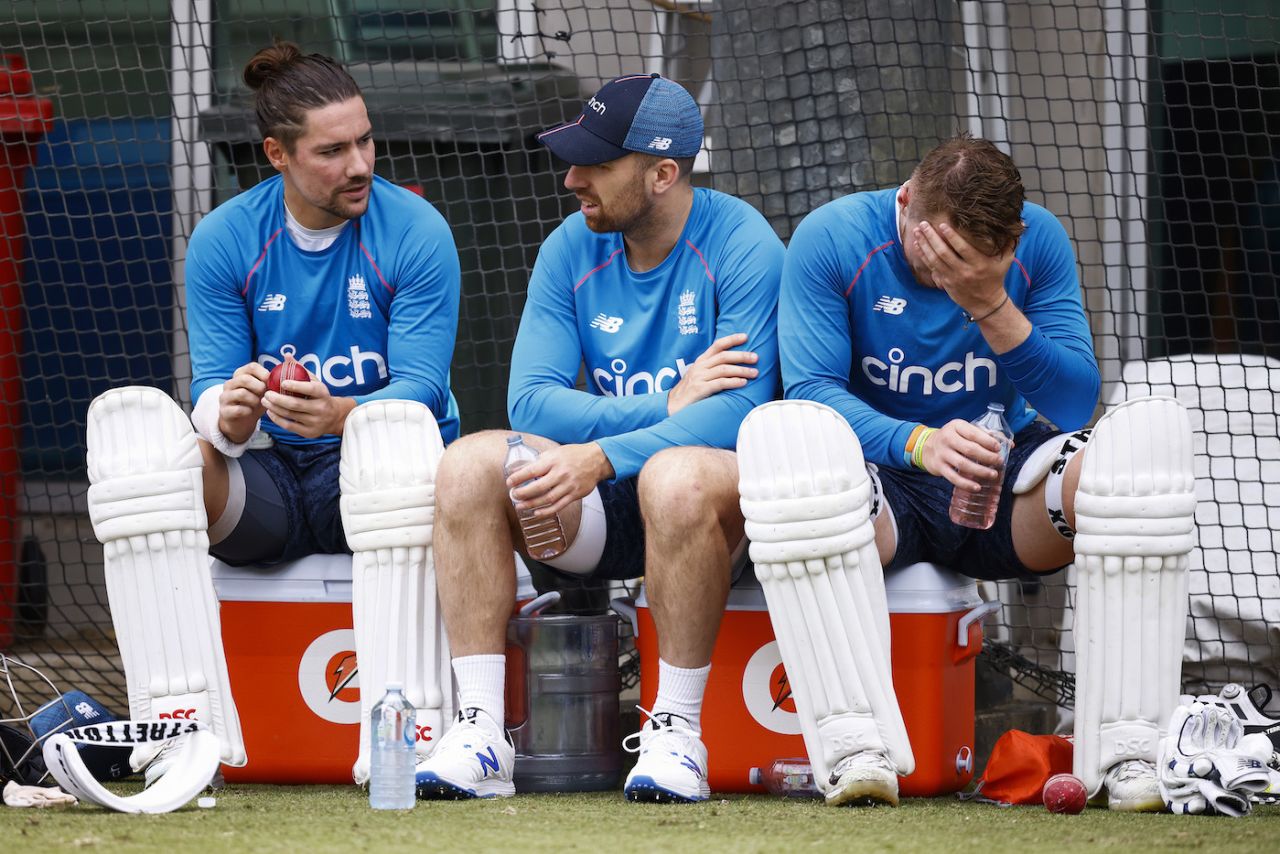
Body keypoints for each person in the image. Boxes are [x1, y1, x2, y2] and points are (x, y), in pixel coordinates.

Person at [736, 133, 1197, 810]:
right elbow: (810, 391)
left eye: (968, 264)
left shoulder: (1038, 241)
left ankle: (1130, 752)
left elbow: (1073, 402)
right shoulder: (834, 236)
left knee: (1129, 465)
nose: (943, 278)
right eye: (936, 257)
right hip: (881, 478)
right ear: (904, 203)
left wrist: (987, 301)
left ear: (1010, 243)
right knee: (796, 452)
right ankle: (855, 749)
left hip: (1003, 473)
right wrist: (918, 442)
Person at [82, 42, 460, 786]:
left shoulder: (417, 230)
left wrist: (344, 414)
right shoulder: (227, 237)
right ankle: (181, 737)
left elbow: (421, 389)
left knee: (397, 448)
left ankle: (410, 742)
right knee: (155, 462)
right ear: (277, 154)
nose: (359, 164)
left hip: (380, 481)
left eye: (365, 141)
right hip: (273, 482)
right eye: (332, 151)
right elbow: (212, 393)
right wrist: (229, 416)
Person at [413, 73, 784, 803]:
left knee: (675, 477)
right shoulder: (569, 247)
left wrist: (607, 452)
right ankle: (481, 732)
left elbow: (740, 413)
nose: (572, 179)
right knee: (466, 465)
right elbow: (531, 401)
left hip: (715, 509)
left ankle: (676, 733)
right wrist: (663, 403)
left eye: (597, 164)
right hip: (600, 497)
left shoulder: (743, 244)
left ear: (662, 174)